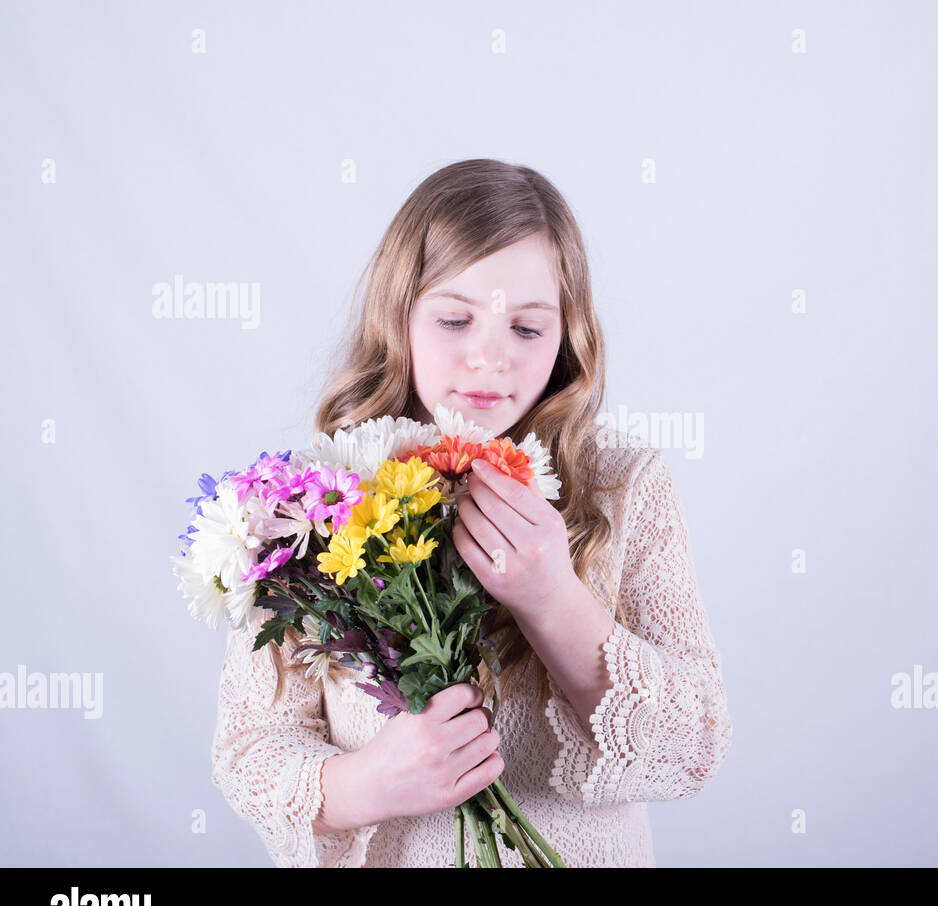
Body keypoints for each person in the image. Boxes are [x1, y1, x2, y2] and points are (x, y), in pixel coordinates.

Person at [209, 158, 733, 867]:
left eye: (526, 329)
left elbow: (694, 745)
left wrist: (553, 600)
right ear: (400, 317)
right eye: (456, 319)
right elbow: (247, 747)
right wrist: (367, 783)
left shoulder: (623, 485)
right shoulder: (320, 497)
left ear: (568, 336)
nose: (490, 359)